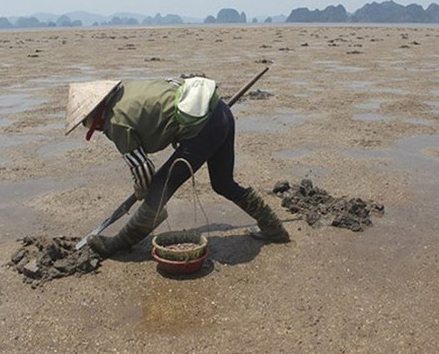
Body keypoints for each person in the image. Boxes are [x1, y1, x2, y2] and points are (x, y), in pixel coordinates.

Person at [64, 76, 290, 257]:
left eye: (89, 125)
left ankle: (117, 245)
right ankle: (273, 228)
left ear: (95, 117)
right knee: (223, 183)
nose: (97, 131)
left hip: (204, 128)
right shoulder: (129, 88)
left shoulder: (116, 123)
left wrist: (142, 190)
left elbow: (143, 170)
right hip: (220, 112)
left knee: (159, 187)